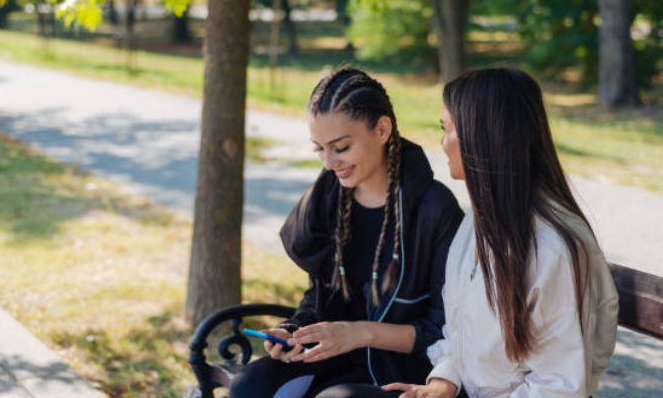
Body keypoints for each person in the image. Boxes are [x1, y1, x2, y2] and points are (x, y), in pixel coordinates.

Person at [381, 68, 619, 398]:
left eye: (447, 129)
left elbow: (558, 386)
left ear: (482, 137)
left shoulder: (550, 248)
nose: (442, 142)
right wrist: (443, 382)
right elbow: (459, 331)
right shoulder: (479, 225)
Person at [228, 67, 464, 398]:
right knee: (249, 385)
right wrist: (291, 331)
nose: (329, 162)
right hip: (332, 358)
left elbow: (442, 332)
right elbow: (320, 295)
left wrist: (360, 334)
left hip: (403, 370)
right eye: (319, 149)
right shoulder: (329, 197)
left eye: (340, 147)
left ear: (382, 129)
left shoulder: (434, 209)